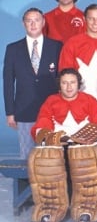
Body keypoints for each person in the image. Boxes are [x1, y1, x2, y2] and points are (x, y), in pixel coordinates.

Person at [28, 68, 97, 222]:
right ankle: (50, 207)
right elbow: (42, 122)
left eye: (72, 82)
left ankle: (86, 206)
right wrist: (48, 137)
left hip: (83, 144)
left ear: (79, 84)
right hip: (59, 144)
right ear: (59, 85)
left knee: (84, 155)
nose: (69, 87)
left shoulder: (89, 100)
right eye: (64, 83)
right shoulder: (51, 101)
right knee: (47, 156)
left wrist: (85, 138)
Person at [4, 8, 62, 159]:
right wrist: (10, 112)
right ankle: (27, 182)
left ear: (43, 22)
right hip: (24, 110)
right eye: (29, 20)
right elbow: (8, 82)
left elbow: (62, 78)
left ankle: (50, 183)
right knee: (27, 155)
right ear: (24, 24)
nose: (33, 24)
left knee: (51, 155)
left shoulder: (56, 47)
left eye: (36, 20)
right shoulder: (13, 49)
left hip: (52, 110)